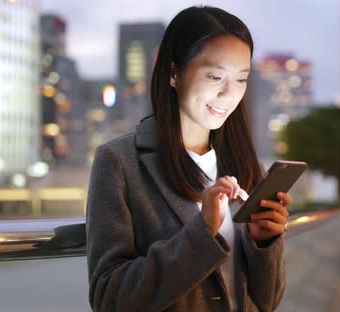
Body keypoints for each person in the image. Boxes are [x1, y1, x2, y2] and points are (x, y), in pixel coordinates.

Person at [86, 6, 289, 312]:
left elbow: (266, 301)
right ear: (173, 73)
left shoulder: (244, 164)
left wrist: (264, 244)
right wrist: (201, 233)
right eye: (215, 76)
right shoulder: (119, 162)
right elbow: (109, 298)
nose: (228, 94)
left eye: (241, 80)